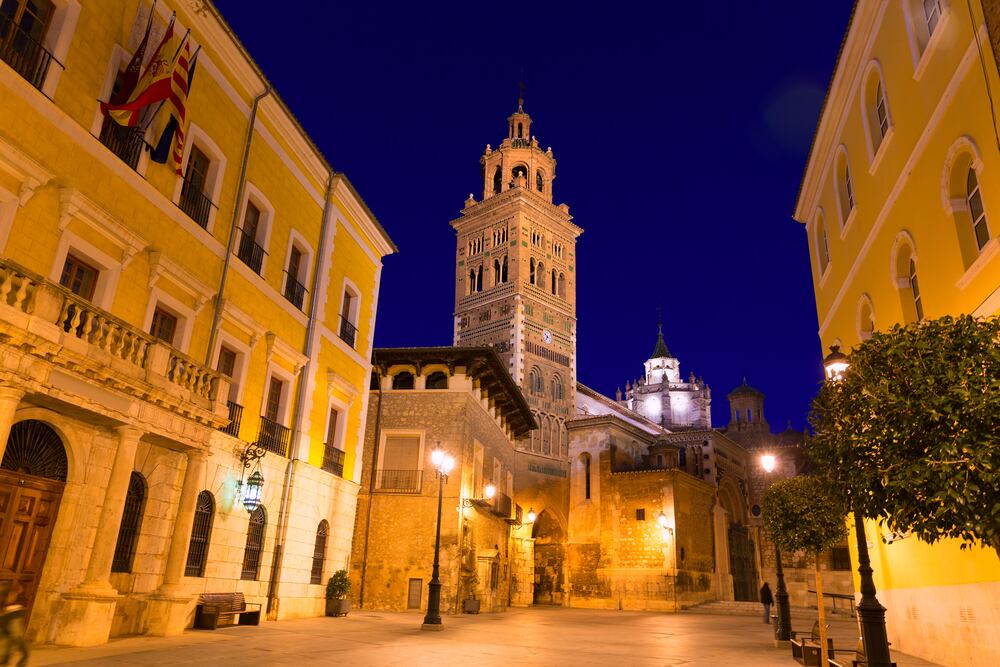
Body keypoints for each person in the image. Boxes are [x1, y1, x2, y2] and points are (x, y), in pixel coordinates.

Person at [0, 582, 28, 667]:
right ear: (10, 594)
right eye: (16, 594)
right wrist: (24, 653)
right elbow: (17, 634)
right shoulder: (12, 612)